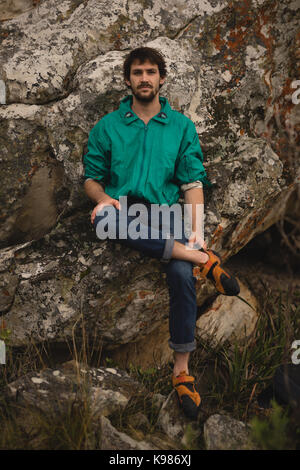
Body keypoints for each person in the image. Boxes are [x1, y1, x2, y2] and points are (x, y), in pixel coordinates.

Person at [83, 47, 239, 420]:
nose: (145, 78)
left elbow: (192, 182)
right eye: (137, 73)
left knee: (181, 275)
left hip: (168, 214)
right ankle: (204, 262)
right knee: (102, 220)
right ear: (127, 80)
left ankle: (181, 371)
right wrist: (103, 198)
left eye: (151, 72)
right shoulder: (108, 126)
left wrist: (197, 233)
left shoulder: (181, 126)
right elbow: (91, 178)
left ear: (162, 78)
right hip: (125, 212)